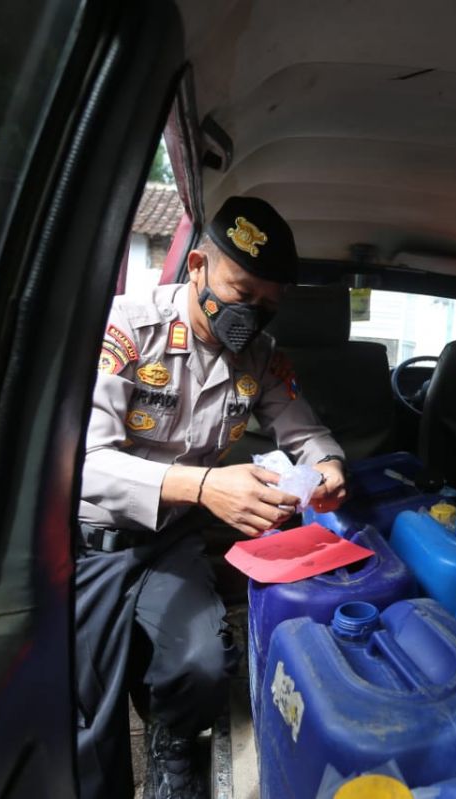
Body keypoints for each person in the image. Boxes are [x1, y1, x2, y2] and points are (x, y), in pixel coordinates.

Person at [76, 195, 346, 799]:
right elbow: (80, 462)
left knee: (202, 663)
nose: (250, 315)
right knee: (82, 719)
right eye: (241, 292)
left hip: (169, 541)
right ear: (197, 265)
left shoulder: (261, 359)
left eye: (267, 307)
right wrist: (202, 485)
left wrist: (326, 466)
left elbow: (306, 432)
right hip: (88, 542)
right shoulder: (125, 328)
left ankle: (173, 749)